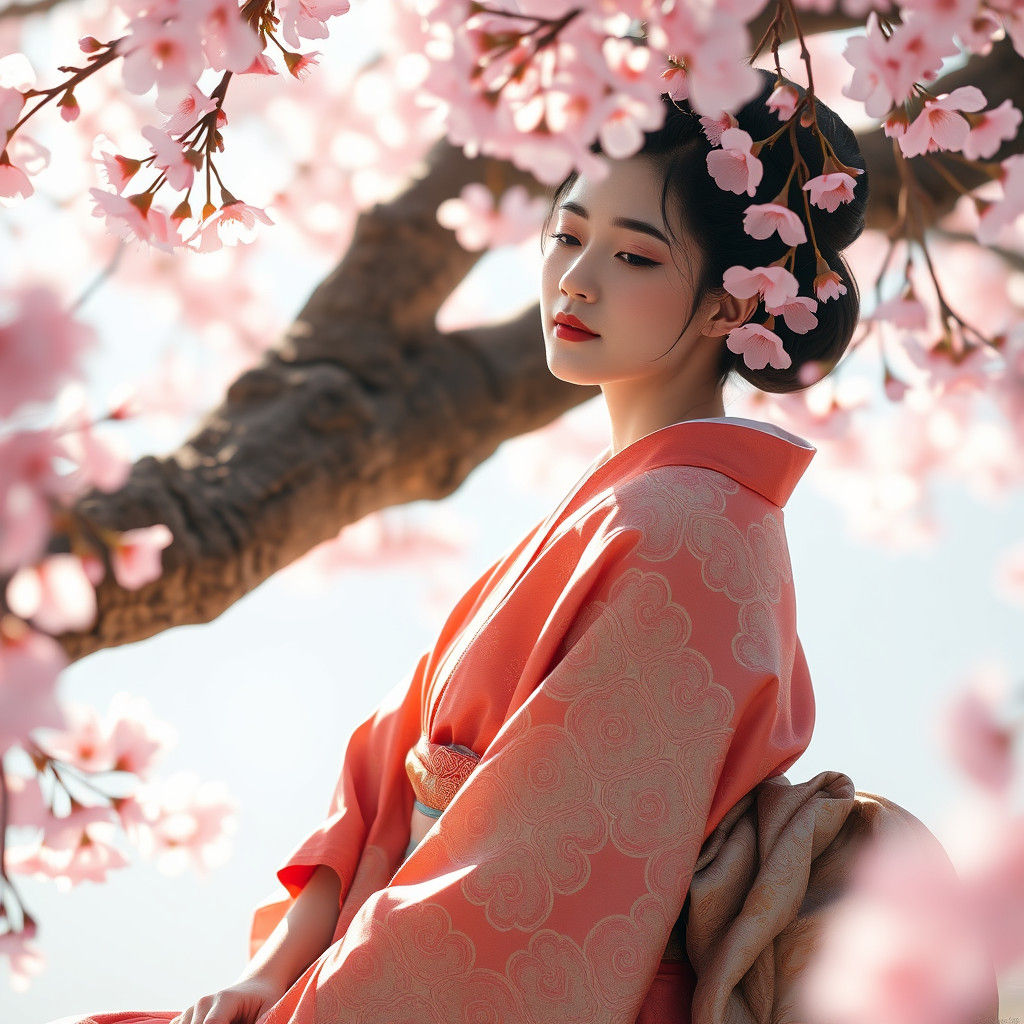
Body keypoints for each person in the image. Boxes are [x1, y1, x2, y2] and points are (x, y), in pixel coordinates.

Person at [58, 67, 868, 1024]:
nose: (576, 277)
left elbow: (528, 883)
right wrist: (270, 974)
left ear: (736, 306)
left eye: (636, 258)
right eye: (567, 236)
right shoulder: (632, 508)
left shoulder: (693, 531)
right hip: (378, 956)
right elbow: (389, 769)